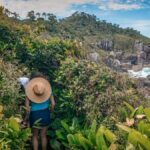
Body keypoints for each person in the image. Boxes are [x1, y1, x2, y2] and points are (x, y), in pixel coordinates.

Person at [24, 72, 55, 150]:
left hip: (34, 114)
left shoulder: (29, 91)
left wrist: (27, 117)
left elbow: (27, 107)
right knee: (43, 135)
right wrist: (51, 111)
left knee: (34, 135)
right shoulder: (47, 89)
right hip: (45, 113)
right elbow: (53, 104)